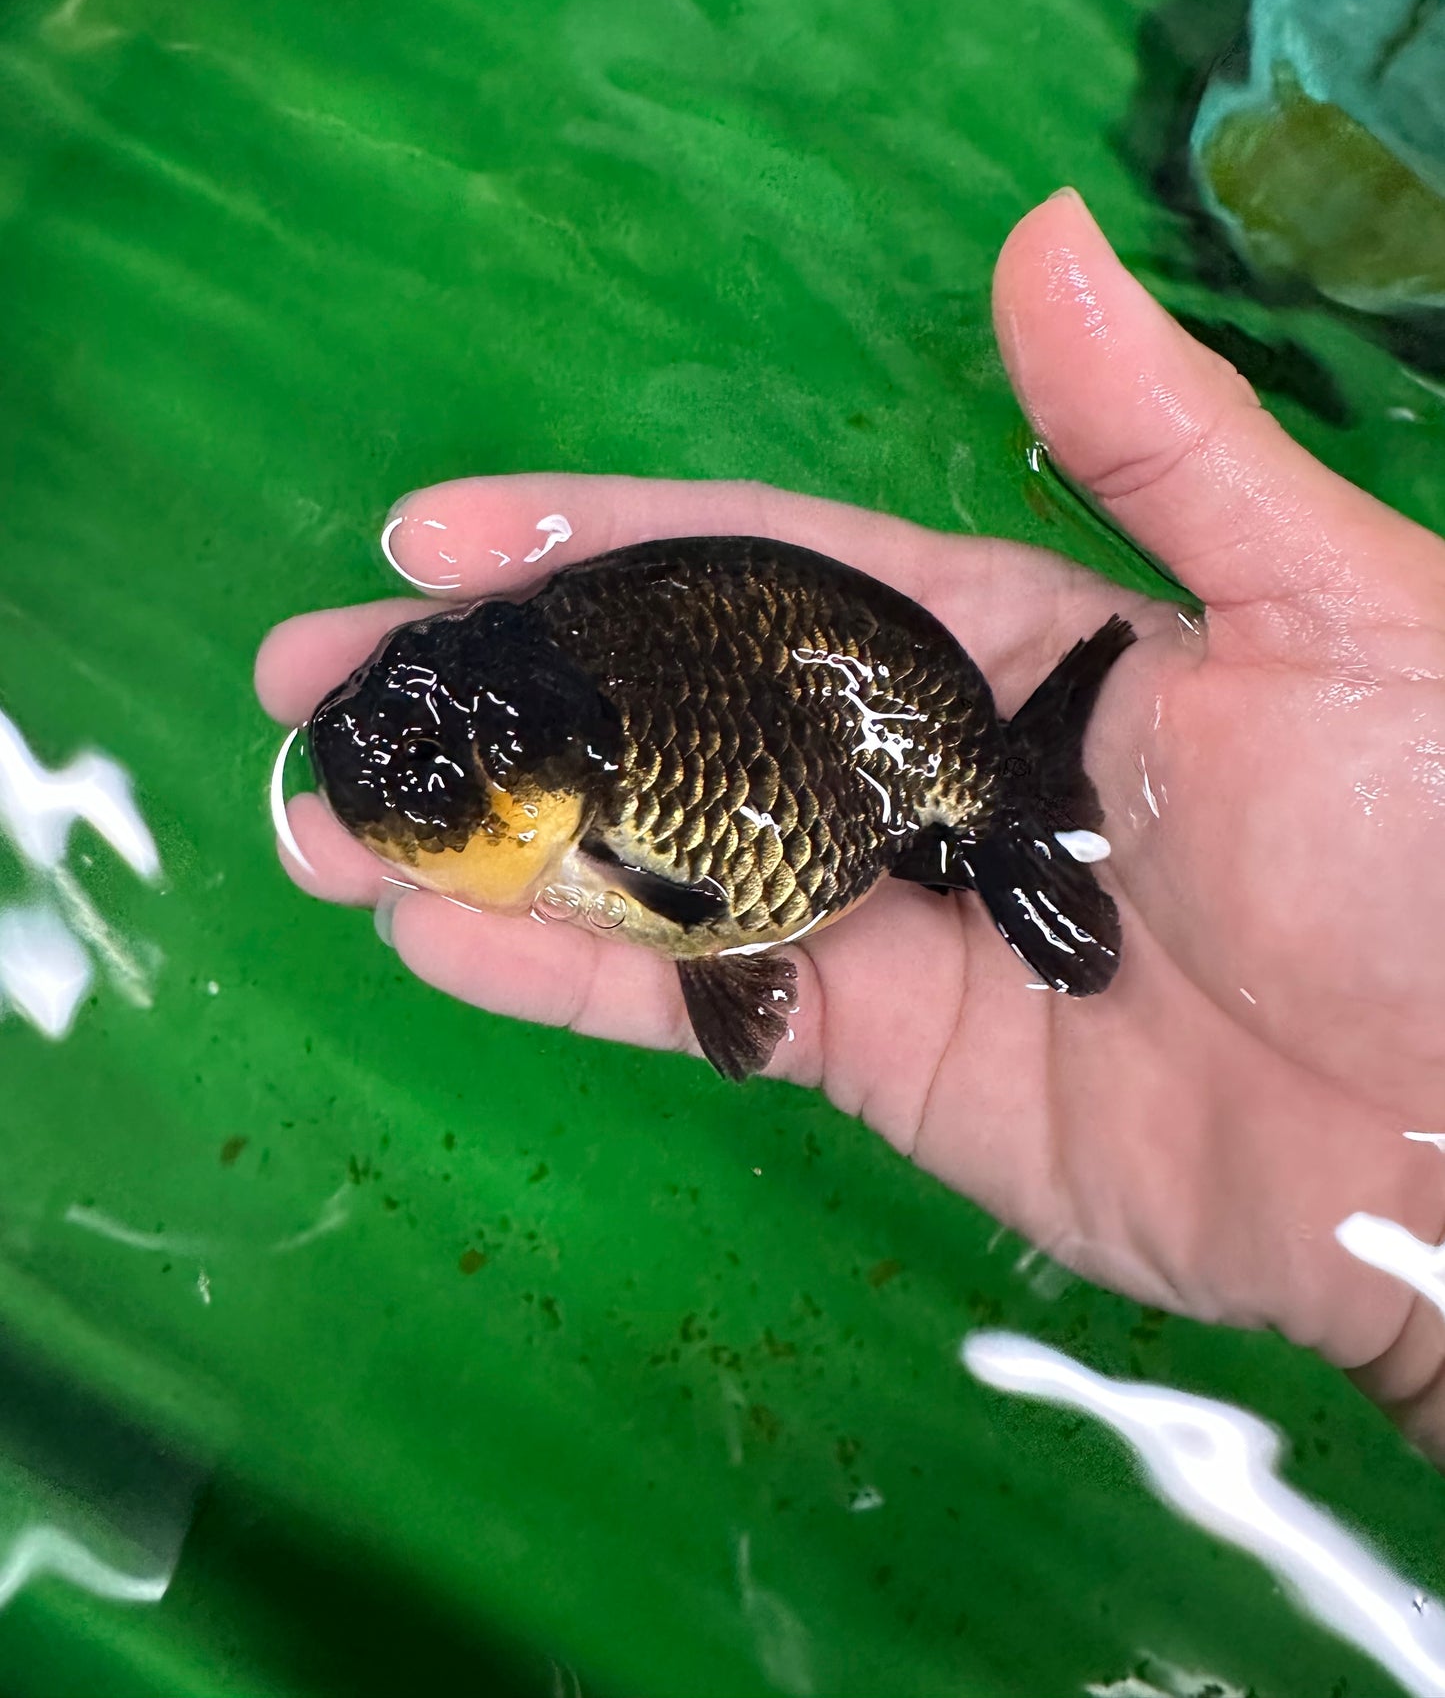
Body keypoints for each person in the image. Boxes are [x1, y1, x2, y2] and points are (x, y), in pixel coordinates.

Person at [256, 189, 1445, 1457]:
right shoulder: (574, 716)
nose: (408, 786)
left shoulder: (618, 812)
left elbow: (693, 908)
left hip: (868, 758)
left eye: (440, 774)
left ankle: (990, 811)